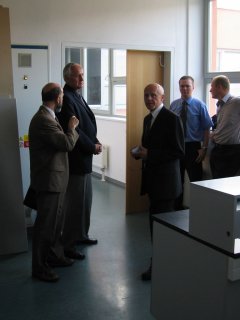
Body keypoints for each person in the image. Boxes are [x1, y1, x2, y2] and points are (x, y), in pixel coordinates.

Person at [131, 83, 185, 281]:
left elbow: (179, 151)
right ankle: (161, 263)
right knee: (155, 225)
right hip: (153, 182)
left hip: (167, 185)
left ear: (162, 98)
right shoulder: (148, 119)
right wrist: (139, 153)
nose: (149, 99)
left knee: (162, 228)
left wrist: (150, 154)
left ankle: (162, 266)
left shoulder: (172, 119)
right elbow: (149, 147)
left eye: (153, 95)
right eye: (146, 95)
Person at [29, 82, 79, 282]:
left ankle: (55, 256)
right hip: (49, 182)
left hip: (55, 181)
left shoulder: (49, 116)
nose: (63, 100)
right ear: (58, 98)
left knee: (55, 223)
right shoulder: (43, 120)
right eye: (62, 97)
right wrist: (72, 128)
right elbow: (66, 143)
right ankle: (39, 268)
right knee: (45, 227)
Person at [57, 63, 102, 259]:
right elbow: (74, 130)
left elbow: (88, 124)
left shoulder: (77, 94)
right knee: (74, 205)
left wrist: (96, 141)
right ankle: (68, 244)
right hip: (76, 160)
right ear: (67, 78)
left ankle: (82, 235)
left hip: (85, 160)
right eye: (78, 76)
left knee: (85, 202)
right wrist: (91, 146)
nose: (82, 80)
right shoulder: (66, 98)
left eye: (83, 75)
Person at [170, 75, 213, 210]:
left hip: (193, 148)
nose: (184, 88)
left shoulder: (200, 105)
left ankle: (198, 210)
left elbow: (207, 128)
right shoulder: (174, 105)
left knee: (196, 181)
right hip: (177, 147)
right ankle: (176, 210)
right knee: (177, 181)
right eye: (182, 86)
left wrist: (204, 148)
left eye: (187, 86)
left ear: (193, 87)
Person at [209, 75, 240, 178]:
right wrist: (214, 134)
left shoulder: (236, 102)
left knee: (224, 187)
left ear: (219, 87)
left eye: (212, 87)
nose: (210, 90)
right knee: (215, 183)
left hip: (232, 152)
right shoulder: (219, 105)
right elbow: (224, 125)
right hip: (217, 150)